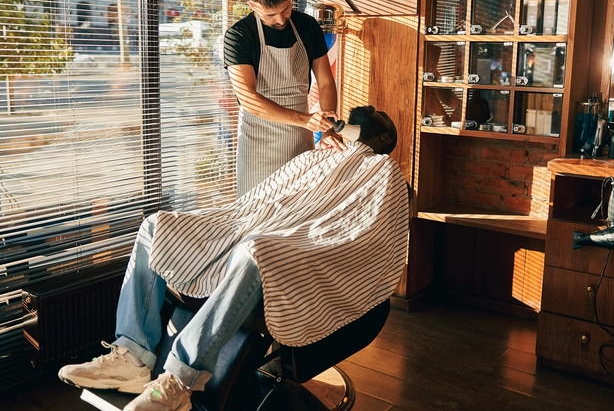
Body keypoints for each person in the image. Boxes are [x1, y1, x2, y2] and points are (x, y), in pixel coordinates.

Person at [58, 106, 408, 411]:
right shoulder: (322, 153)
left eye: (375, 119)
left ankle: (179, 382)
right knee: (156, 225)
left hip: (301, 244)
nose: (370, 110)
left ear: (382, 140)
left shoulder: (386, 172)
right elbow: (261, 200)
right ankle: (132, 354)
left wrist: (276, 235)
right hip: (248, 224)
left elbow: (364, 230)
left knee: (256, 249)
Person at [224, 0, 345, 198]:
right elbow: (248, 98)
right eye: (270, 14)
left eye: (286, 8)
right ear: (252, 5)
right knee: (255, 215)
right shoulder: (238, 36)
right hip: (258, 147)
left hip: (300, 140)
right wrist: (305, 120)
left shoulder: (308, 26)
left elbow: (326, 82)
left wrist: (328, 127)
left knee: (297, 211)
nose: (281, 19)